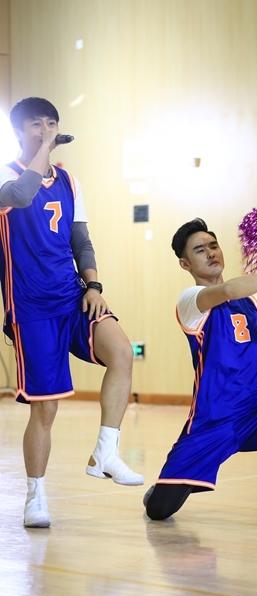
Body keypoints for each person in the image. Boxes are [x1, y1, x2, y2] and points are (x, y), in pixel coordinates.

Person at [0, 97, 144, 529]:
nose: (45, 130)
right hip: (31, 308)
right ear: (19, 132)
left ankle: (106, 452)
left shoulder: (70, 181)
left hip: (72, 296)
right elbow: (22, 195)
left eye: (51, 123)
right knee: (45, 410)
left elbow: (81, 241)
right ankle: (35, 495)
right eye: (35, 125)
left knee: (122, 351)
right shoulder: (7, 176)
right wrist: (44, 149)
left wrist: (94, 285)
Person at [144, 218, 257, 524]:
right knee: (159, 511)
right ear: (185, 264)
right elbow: (229, 289)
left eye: (213, 245)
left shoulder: (253, 301)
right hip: (214, 421)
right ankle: (167, 486)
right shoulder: (191, 301)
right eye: (200, 250)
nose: (211, 252)